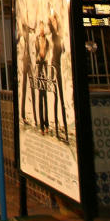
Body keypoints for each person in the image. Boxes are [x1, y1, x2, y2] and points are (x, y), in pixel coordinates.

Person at [48, 12, 68, 140]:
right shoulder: (54, 36)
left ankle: (63, 127)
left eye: (56, 21)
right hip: (54, 69)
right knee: (55, 99)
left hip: (60, 70)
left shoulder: (60, 37)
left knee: (61, 99)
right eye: (52, 21)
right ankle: (55, 127)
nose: (54, 23)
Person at [35, 21, 50, 134]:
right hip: (39, 70)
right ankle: (41, 125)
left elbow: (47, 54)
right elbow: (36, 54)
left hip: (45, 69)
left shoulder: (47, 41)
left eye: (43, 27)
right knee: (40, 97)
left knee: (45, 98)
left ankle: (47, 124)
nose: (42, 29)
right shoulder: (36, 40)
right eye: (40, 27)